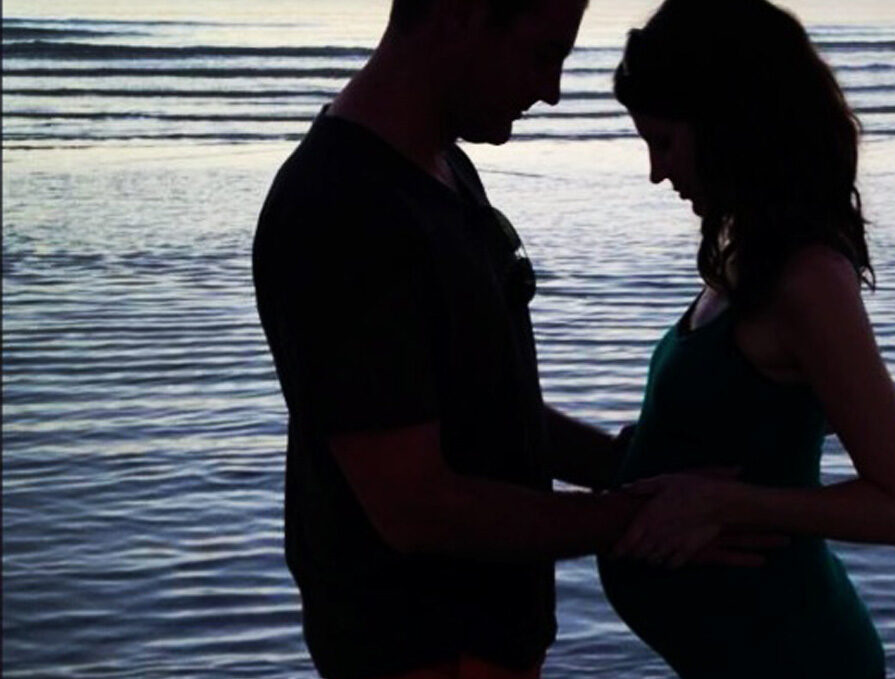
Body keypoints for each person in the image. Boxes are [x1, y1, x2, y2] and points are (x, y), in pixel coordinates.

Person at [252, 1, 765, 677]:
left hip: (484, 642)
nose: (550, 91)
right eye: (543, 53)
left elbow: (483, 410)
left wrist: (627, 466)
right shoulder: (343, 209)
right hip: (418, 649)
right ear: (459, 15)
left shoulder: (440, 167)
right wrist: (634, 518)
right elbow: (417, 508)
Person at [596, 1, 895, 677]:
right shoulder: (747, 254)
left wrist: (723, 502)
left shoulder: (806, 279)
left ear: (727, 123)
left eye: (665, 141)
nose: (656, 172)